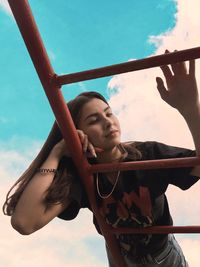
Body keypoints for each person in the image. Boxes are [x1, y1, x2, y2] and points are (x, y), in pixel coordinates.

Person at [3, 50, 200, 267]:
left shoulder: (147, 154)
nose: (108, 123)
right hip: (120, 260)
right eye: (94, 120)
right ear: (78, 133)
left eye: (108, 113)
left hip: (163, 256)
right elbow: (24, 223)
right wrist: (57, 153)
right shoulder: (85, 174)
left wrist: (190, 108)